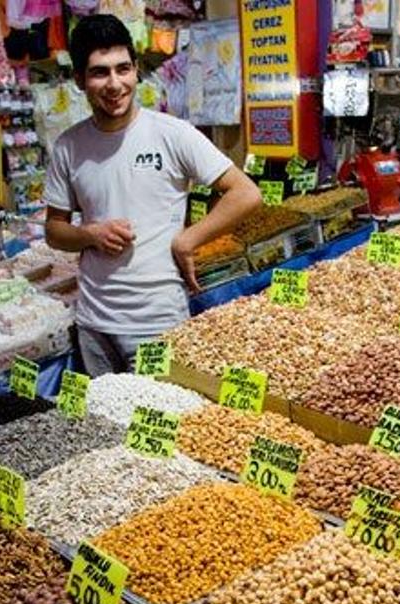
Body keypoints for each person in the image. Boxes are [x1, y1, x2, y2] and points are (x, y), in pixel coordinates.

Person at [44, 14, 261, 376]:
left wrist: (188, 240)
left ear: (135, 71)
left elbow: (245, 193)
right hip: (93, 323)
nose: (115, 84)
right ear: (80, 79)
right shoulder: (68, 146)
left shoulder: (173, 134)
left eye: (123, 69)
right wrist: (90, 235)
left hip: (158, 322)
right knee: (103, 427)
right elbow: (54, 230)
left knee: (156, 424)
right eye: (100, 72)